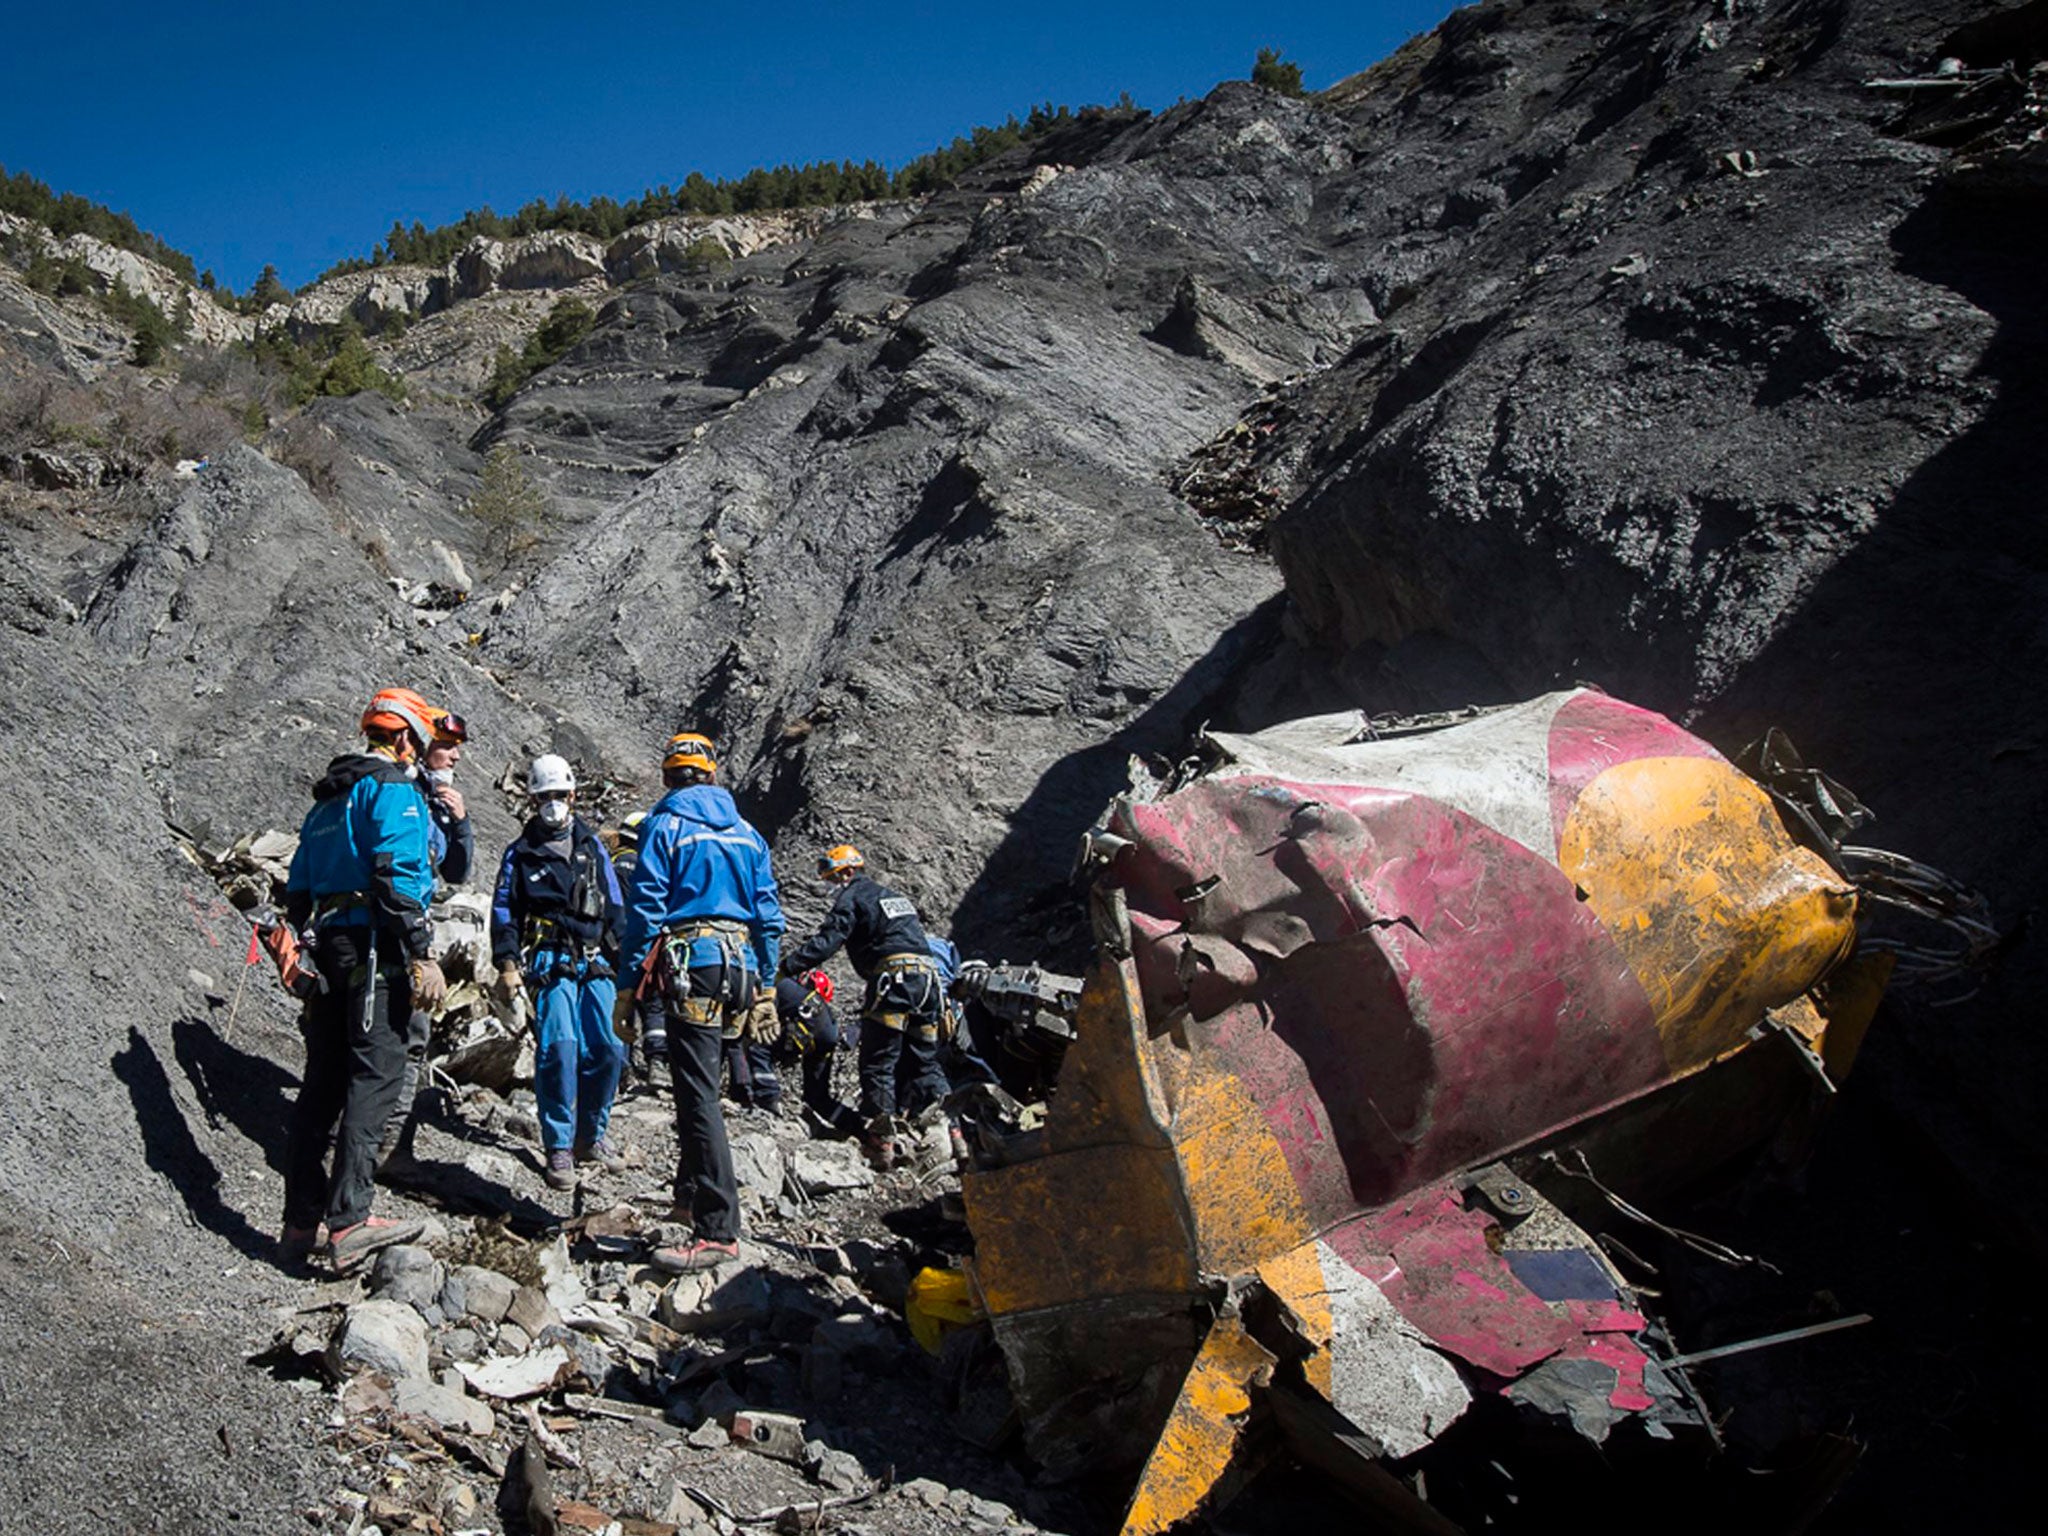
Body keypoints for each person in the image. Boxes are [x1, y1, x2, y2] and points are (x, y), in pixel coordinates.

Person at [280, 687, 444, 1274]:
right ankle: (350, 1218)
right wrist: (421, 953)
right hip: (377, 948)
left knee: (321, 1082)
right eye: (418, 745)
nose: (419, 756)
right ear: (402, 737)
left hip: (327, 946)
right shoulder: (391, 789)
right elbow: (398, 871)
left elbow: (296, 888)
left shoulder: (326, 802)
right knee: (375, 1077)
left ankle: (300, 1221)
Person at [621, 732, 784, 1273]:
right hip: (738, 966)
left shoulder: (663, 827)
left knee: (696, 1094)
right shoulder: (747, 833)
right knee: (704, 1082)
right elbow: (768, 914)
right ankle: (689, 1194)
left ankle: (718, 1228)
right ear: (711, 775)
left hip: (694, 963)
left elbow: (645, 910)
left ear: (669, 777)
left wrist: (628, 986)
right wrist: (765, 986)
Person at [490, 755, 626, 1191]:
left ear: (572, 795)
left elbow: (615, 904)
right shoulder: (520, 853)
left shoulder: (592, 846)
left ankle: (592, 1135)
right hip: (549, 959)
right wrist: (508, 963)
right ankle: (559, 1145)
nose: (553, 805)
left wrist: (628, 965)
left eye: (558, 796)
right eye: (543, 797)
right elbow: (504, 911)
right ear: (533, 800)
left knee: (607, 1050)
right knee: (559, 1050)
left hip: (596, 959)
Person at [780, 845, 945, 1169]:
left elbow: (827, 942)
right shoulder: (893, 898)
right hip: (927, 983)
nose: (831, 885)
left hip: (893, 980)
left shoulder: (853, 897)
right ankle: (949, 1135)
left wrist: (786, 968)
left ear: (847, 872)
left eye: (832, 878)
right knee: (925, 1062)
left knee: (878, 1061)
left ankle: (881, 1143)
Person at [378, 704, 474, 1168]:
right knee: (392, 1035)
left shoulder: (437, 800)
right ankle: (373, 1147)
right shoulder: (400, 792)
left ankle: (394, 1146)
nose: (455, 757)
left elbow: (456, 872)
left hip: (417, 922)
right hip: (393, 927)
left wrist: (461, 825)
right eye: (448, 747)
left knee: (414, 1037)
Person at [609, 811, 668, 1086]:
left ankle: (622, 1067)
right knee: (652, 1002)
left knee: (622, 1002)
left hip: (610, 944)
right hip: (642, 942)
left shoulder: (609, 863)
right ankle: (657, 1063)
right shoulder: (645, 867)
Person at [773, 968, 860, 1137]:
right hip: (827, 1037)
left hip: (810, 1028)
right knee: (817, 1097)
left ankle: (762, 1099)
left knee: (759, 1049)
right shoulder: (824, 1011)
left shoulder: (791, 993)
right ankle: (859, 1128)